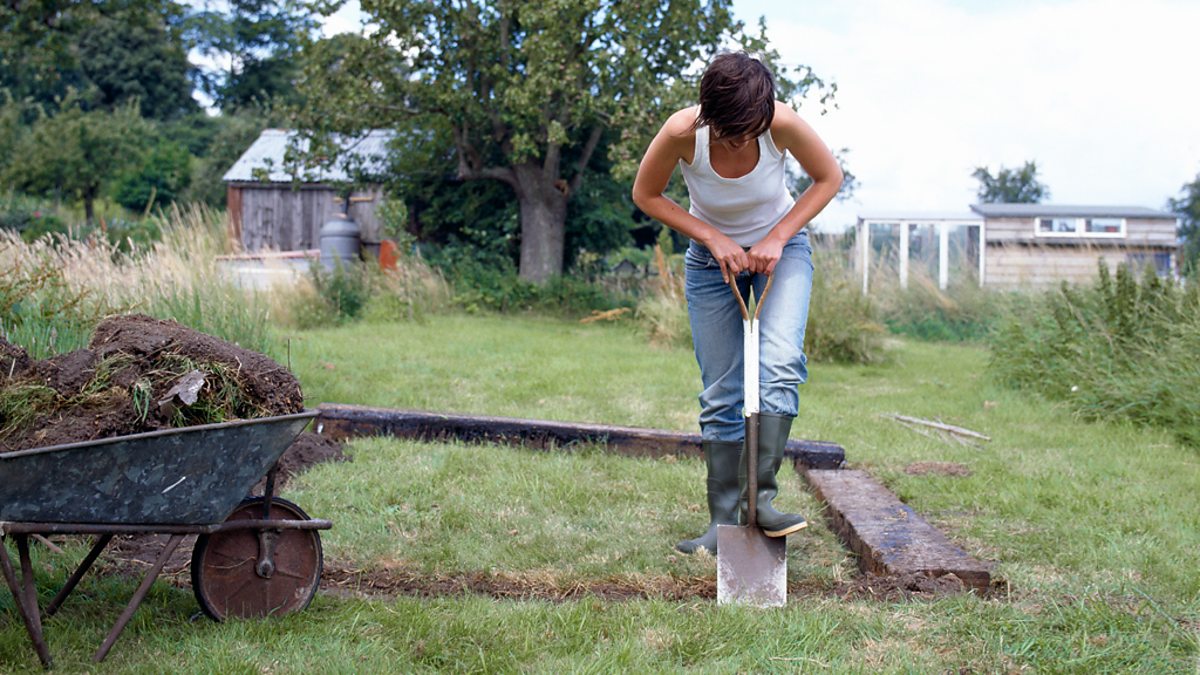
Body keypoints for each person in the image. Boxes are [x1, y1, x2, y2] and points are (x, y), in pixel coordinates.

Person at [632, 51, 842, 555]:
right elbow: (647, 194)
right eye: (729, 134)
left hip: (782, 254)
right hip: (711, 263)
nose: (739, 142)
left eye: (749, 132)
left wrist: (778, 236)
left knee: (780, 364)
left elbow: (828, 178)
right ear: (708, 115)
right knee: (722, 390)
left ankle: (760, 503)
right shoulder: (682, 131)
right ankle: (722, 523)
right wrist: (710, 236)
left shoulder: (781, 123)